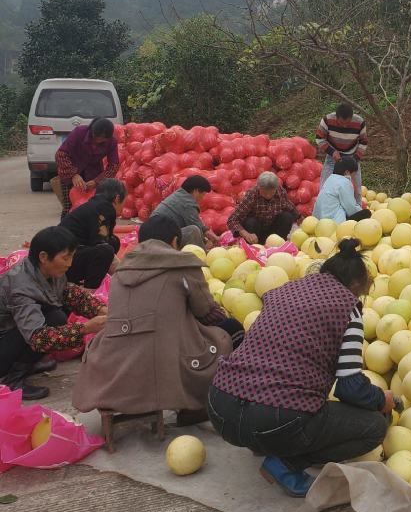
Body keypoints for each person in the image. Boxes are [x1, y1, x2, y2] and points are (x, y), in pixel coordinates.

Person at [209, 238, 396, 497]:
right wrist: (380, 400)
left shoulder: (284, 291)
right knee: (374, 426)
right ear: (355, 286)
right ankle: (286, 464)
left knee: (273, 401)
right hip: (273, 418)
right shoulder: (348, 309)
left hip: (220, 407)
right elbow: (350, 387)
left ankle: (261, 440)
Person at [73, 215, 236, 426]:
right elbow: (205, 311)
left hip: (111, 361)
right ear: (174, 242)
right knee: (228, 332)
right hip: (166, 362)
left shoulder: (122, 271)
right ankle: (198, 406)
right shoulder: (182, 265)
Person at [0, 227, 108, 400]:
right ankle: (11, 378)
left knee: (56, 316)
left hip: (14, 331)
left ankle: (25, 365)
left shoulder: (47, 271)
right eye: (65, 258)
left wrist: (101, 310)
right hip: (4, 340)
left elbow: (68, 293)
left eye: (71, 256)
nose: (70, 263)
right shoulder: (20, 287)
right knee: (53, 322)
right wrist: (86, 328)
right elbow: (38, 337)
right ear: (43, 257)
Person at [60, 177, 127, 289]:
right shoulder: (105, 208)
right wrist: (126, 277)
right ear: (117, 198)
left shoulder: (94, 205)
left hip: (66, 255)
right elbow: (101, 245)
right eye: (124, 202)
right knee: (106, 251)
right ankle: (89, 293)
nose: (123, 206)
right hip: (63, 262)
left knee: (113, 241)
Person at [52, 117, 120, 217]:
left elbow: (113, 166)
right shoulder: (79, 132)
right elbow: (61, 154)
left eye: (103, 139)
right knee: (70, 208)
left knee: (95, 209)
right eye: (96, 137)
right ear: (91, 130)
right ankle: (66, 230)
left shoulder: (112, 142)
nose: (98, 141)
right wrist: (73, 175)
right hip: (70, 171)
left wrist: (97, 181)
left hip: (94, 174)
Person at [149, 175, 221, 250]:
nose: (202, 198)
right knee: (193, 231)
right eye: (203, 195)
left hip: (151, 235)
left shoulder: (179, 195)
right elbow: (196, 226)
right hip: (159, 240)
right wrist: (207, 246)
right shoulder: (188, 203)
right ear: (196, 191)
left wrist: (207, 233)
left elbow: (196, 222)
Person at [227, 171, 299, 244]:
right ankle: (254, 247)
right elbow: (232, 220)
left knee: (287, 216)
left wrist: (301, 221)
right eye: (264, 192)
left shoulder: (280, 192)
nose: (268, 195)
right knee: (250, 222)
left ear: (276, 188)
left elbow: (291, 209)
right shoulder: (252, 194)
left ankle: (279, 244)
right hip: (255, 232)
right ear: (259, 187)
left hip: (273, 233)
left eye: (271, 193)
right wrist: (245, 234)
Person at [316, 102, 367, 192]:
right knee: (324, 187)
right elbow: (319, 139)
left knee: (356, 190)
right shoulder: (327, 120)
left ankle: (357, 205)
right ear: (336, 116)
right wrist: (332, 152)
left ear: (352, 117)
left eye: (347, 123)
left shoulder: (360, 122)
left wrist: (354, 159)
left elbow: (363, 142)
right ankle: (324, 205)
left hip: (352, 157)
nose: (344, 126)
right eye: (341, 123)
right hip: (333, 158)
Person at [312, 157, 371, 223]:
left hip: (319, 222)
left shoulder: (330, 179)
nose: (354, 177)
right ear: (347, 172)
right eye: (354, 174)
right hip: (335, 223)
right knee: (366, 213)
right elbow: (350, 207)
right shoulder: (345, 182)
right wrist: (360, 211)